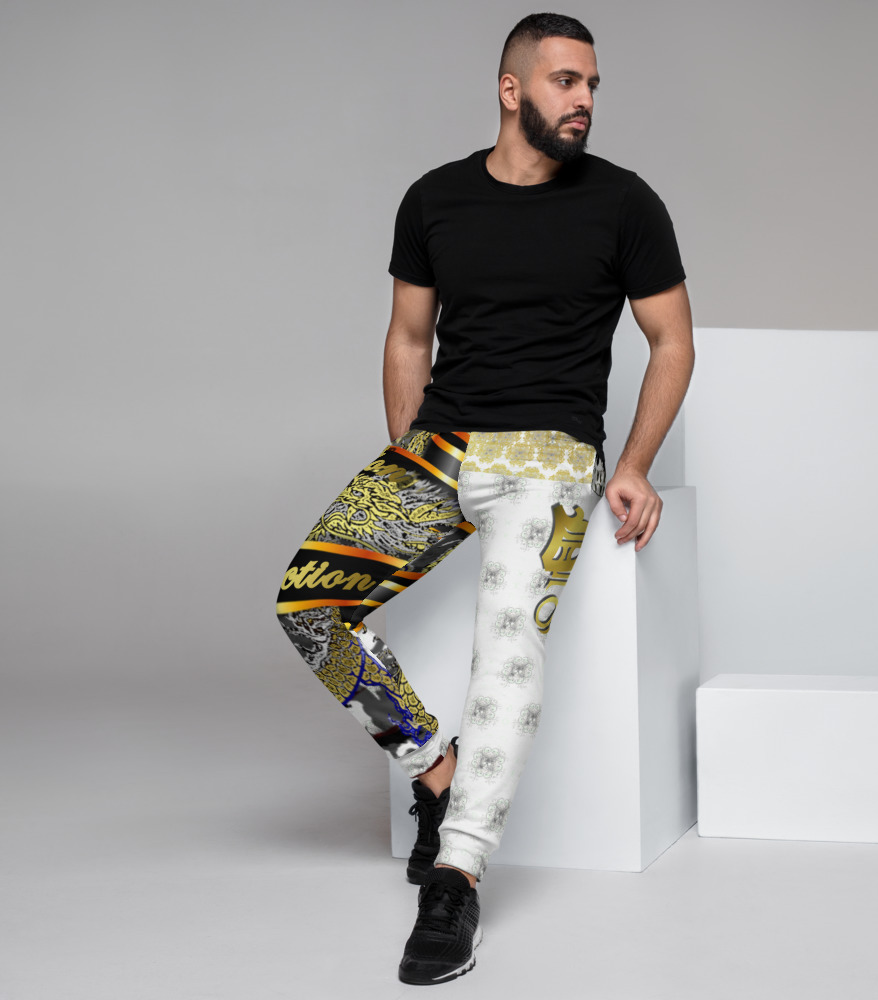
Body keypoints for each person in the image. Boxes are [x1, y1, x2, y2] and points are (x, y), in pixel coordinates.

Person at [274, 11, 694, 987]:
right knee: (308, 604)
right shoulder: (435, 199)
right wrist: (407, 453)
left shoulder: (626, 203)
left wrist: (633, 463)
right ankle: (436, 769)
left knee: (505, 657)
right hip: (443, 448)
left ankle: (455, 877)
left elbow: (671, 341)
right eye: (564, 81)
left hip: (551, 457)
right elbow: (407, 336)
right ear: (512, 90)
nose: (583, 100)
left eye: (592, 84)